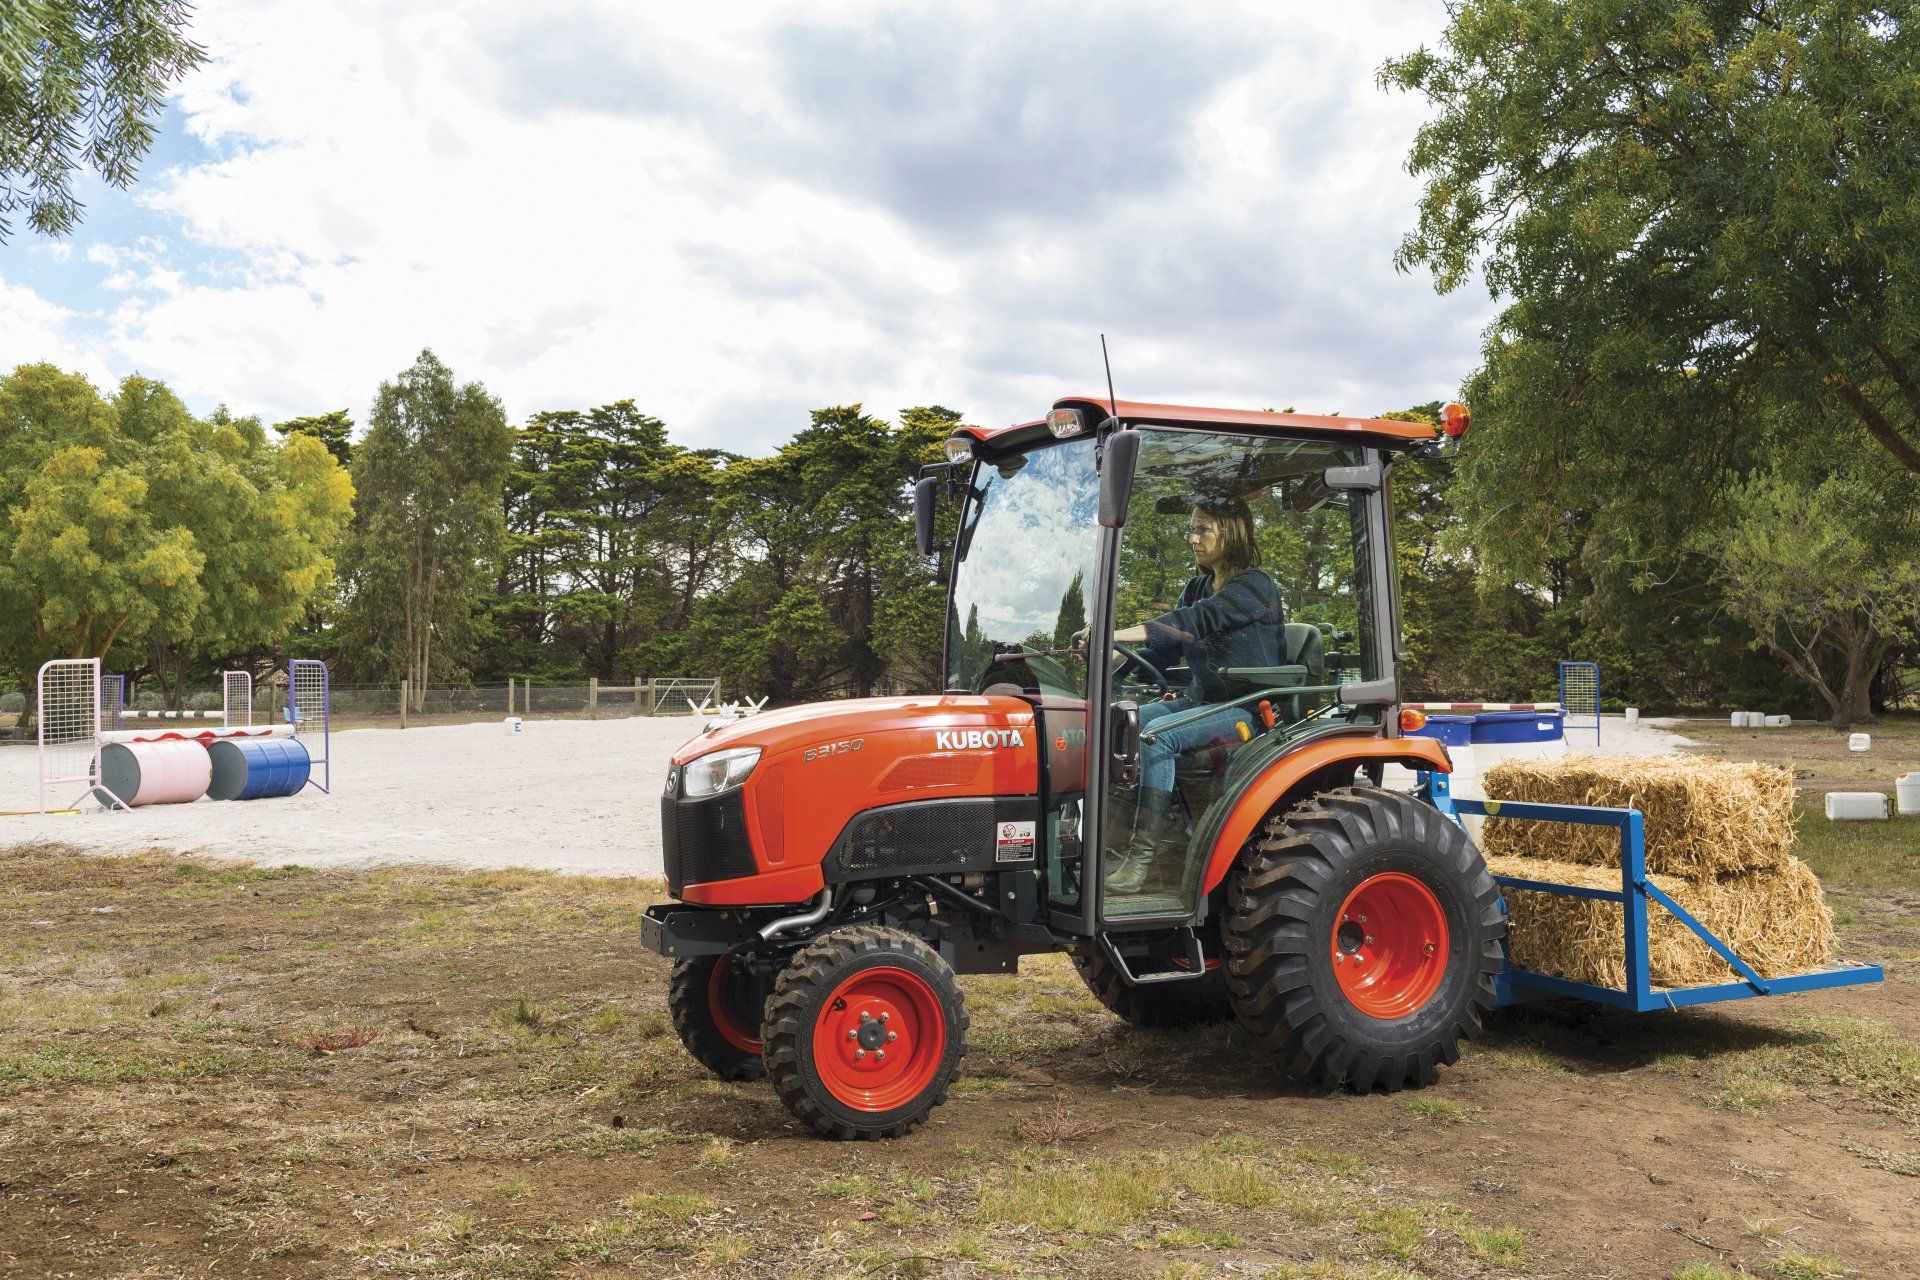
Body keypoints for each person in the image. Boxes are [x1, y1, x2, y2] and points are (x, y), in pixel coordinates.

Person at [1106, 496, 1282, 893]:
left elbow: (1196, 622)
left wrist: (1117, 632)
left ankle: (1142, 862)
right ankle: (1109, 843)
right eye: (1191, 529)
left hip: (1247, 708)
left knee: (1156, 737)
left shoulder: (1256, 585)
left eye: (1203, 529)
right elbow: (1164, 650)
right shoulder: (1198, 586)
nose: (1193, 538)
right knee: (1117, 722)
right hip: (1203, 700)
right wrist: (1113, 662)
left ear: (1232, 534)